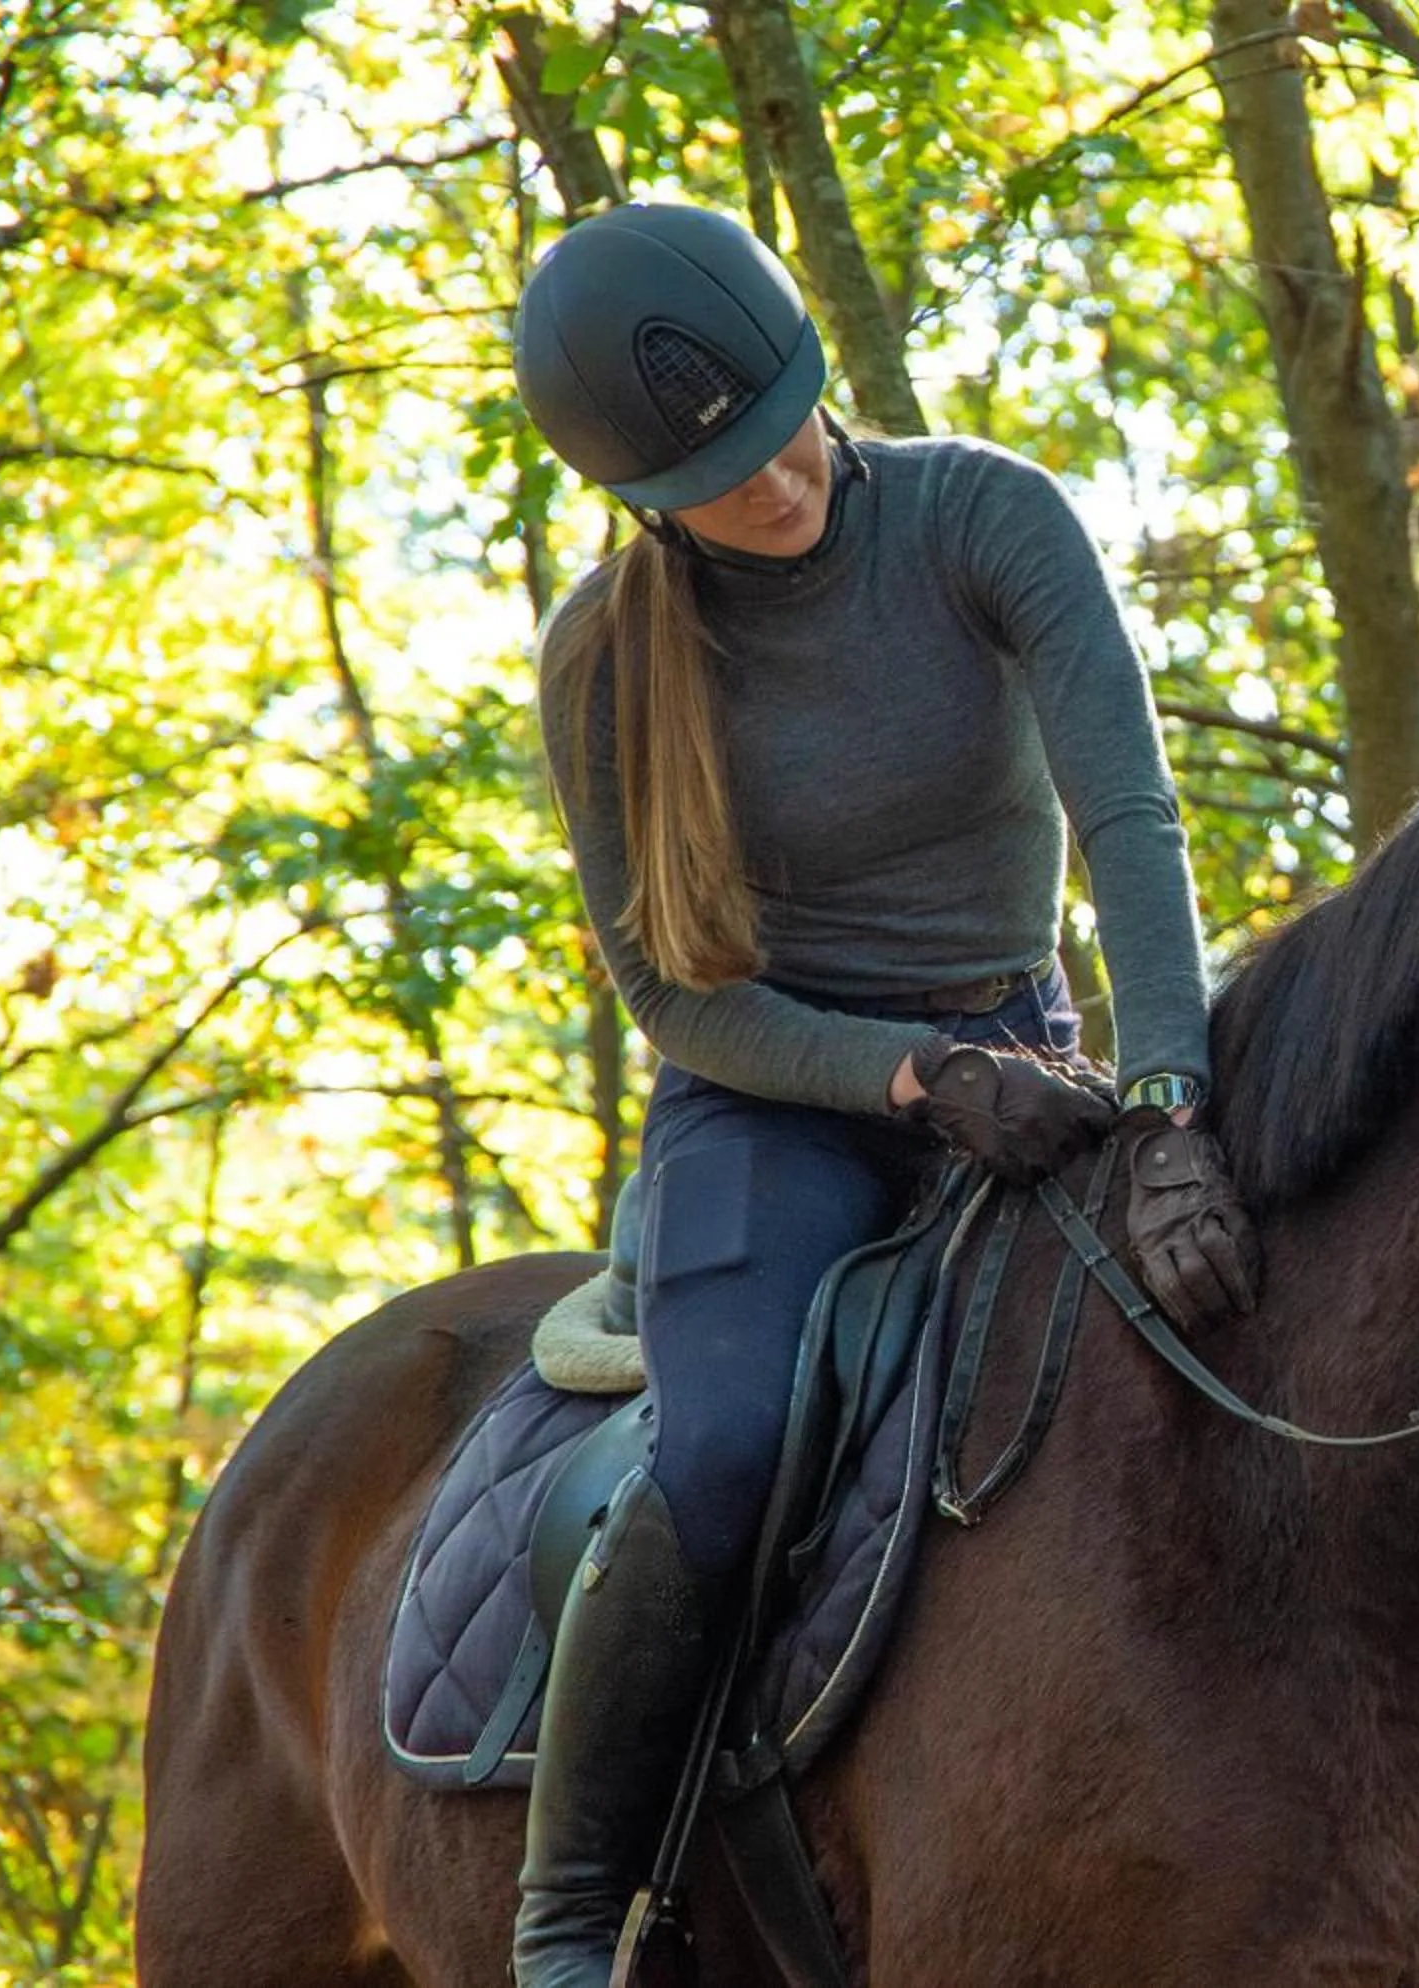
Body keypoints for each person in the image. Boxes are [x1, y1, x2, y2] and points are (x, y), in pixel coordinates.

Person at [506, 200, 1257, 1988]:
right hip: (778, 1104)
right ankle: (569, 1912)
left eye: (779, 434)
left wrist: (1164, 1101)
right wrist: (914, 1080)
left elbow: (1127, 822)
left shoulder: (981, 515)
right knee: (732, 1450)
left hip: (1040, 1058)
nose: (770, 488)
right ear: (635, 497)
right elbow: (671, 996)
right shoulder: (608, 659)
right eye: (717, 479)